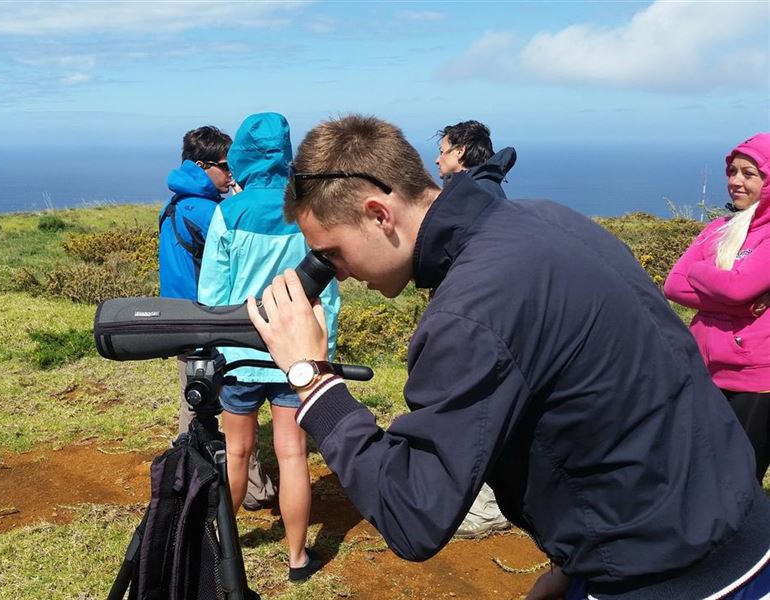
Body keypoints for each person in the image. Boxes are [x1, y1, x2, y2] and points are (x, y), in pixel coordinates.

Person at [247, 115, 770, 599]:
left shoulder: (472, 310)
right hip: (738, 530)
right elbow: (630, 389)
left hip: (673, 579)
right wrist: (577, 563)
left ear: (379, 213)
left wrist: (311, 380)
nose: (335, 272)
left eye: (333, 252)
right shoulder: (548, 221)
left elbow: (413, 514)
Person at [198, 112, 341, 582]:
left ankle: (224, 551)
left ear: (239, 153)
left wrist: (217, 350)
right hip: (295, 357)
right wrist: (323, 354)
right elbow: (328, 294)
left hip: (238, 356)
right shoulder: (306, 211)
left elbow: (212, 298)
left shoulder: (228, 212)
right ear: (286, 154)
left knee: (236, 455)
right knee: (293, 454)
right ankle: (298, 559)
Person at [158, 125, 276, 511]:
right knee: (230, 407)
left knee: (194, 404)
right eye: (226, 167)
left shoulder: (177, 203)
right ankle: (252, 490)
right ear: (200, 165)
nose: (232, 174)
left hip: (181, 320)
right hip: (206, 323)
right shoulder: (206, 210)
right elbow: (243, 253)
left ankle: (186, 481)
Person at [665, 132, 770, 484]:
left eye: (749, 174)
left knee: (739, 478)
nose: (736, 182)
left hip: (756, 380)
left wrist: (700, 274)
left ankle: (751, 540)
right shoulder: (717, 229)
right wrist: (735, 306)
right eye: (733, 172)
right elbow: (674, 284)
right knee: (698, 468)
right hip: (707, 369)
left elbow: (740, 287)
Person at [434, 120, 518, 538]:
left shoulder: (469, 197)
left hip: (475, 319)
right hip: (486, 316)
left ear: (463, 152)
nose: (437, 158)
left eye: (445, 150)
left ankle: (483, 508)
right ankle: (489, 500)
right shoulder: (489, 190)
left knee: (473, 407)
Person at [435, 119, 517, 201]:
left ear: (460, 151)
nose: (437, 161)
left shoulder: (471, 194)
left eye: (442, 152)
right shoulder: (488, 187)